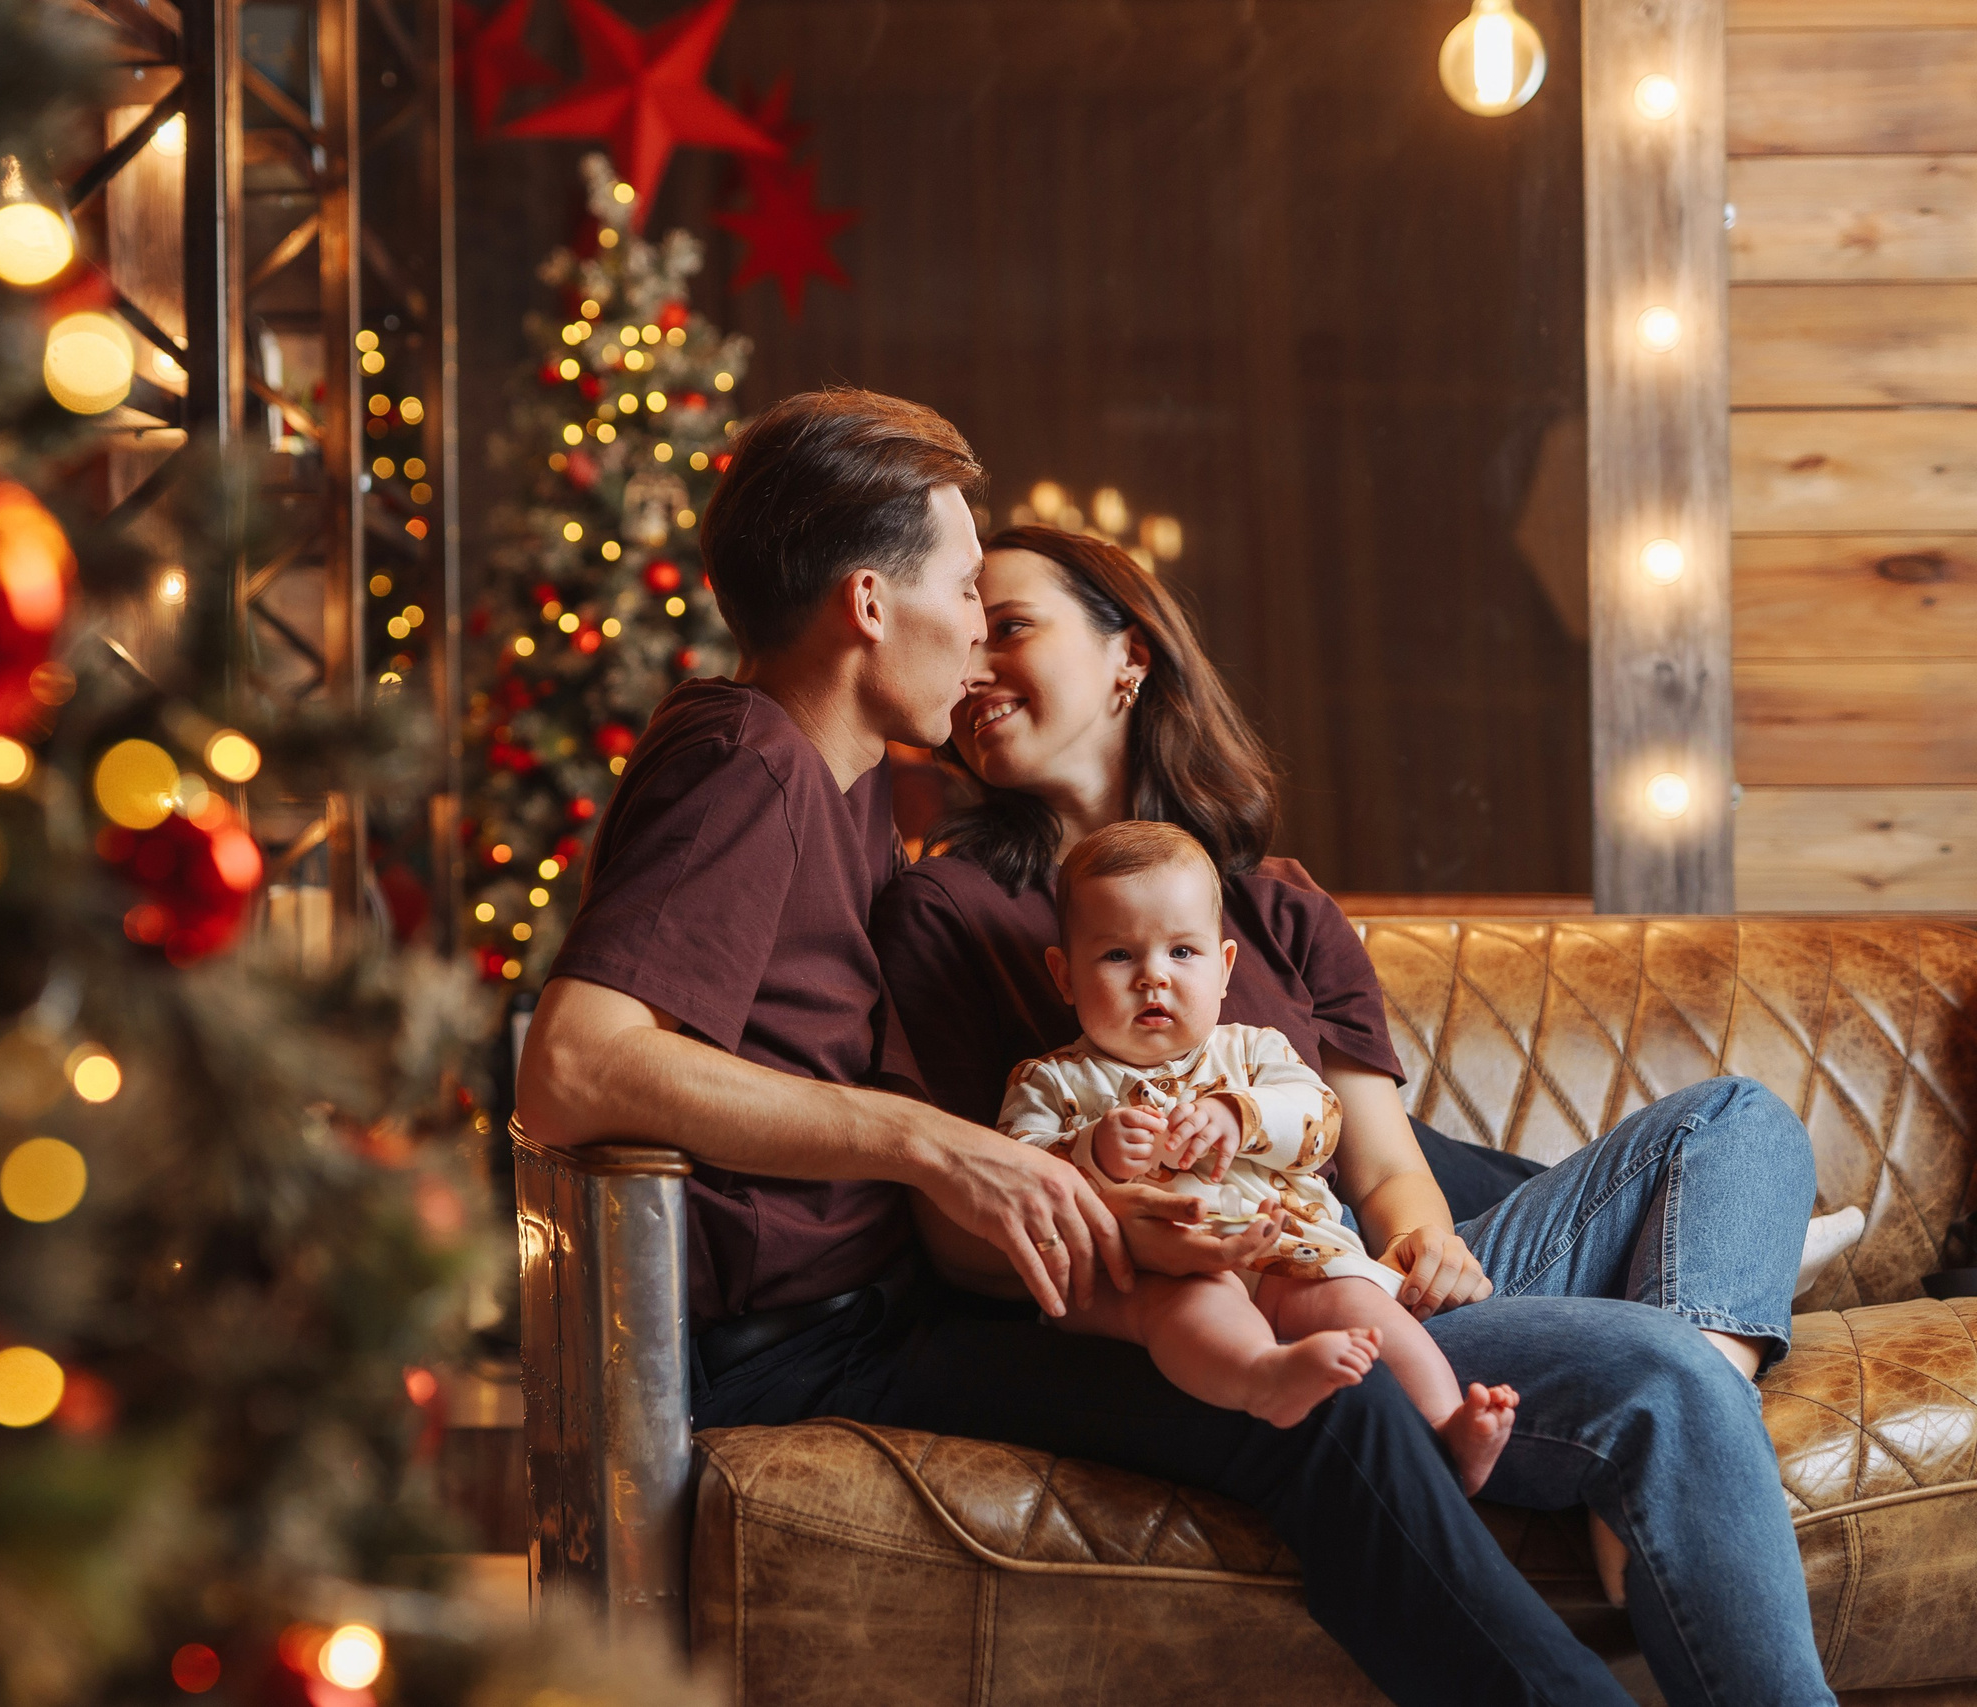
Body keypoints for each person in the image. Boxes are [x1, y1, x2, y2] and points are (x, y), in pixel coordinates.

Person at [517, 386, 1641, 1707]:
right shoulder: (748, 758)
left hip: (883, 1310)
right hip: (812, 1345)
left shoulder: (849, 784)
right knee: (1324, 1409)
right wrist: (938, 1146)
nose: (978, 651)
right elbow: (575, 1062)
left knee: (1330, 1362)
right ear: (872, 605)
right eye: (962, 595)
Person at [872, 522, 1834, 1706]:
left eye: (1008, 626)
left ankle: (1705, 1371)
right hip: (1259, 1292)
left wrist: (1426, 1241)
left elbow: (1380, 1165)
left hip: (1368, 1255)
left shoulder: (1277, 906)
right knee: (1659, 1373)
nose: (972, 664)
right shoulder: (947, 907)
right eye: (967, 634)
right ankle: (1689, 1372)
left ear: (1128, 657)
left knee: (1737, 1117)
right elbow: (964, 1218)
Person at [995, 820, 1522, 1492]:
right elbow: (1017, 1169)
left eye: (1182, 952)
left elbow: (1320, 1120)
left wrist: (1240, 1114)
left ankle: (1449, 1425)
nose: (1153, 976)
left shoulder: (1254, 1052)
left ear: (1225, 970)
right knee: (1190, 1310)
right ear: (1064, 975)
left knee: (1362, 1304)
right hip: (1161, 1273)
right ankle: (1262, 1377)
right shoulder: (1052, 1082)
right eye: (1119, 956)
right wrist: (1088, 1151)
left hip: (1292, 1253)